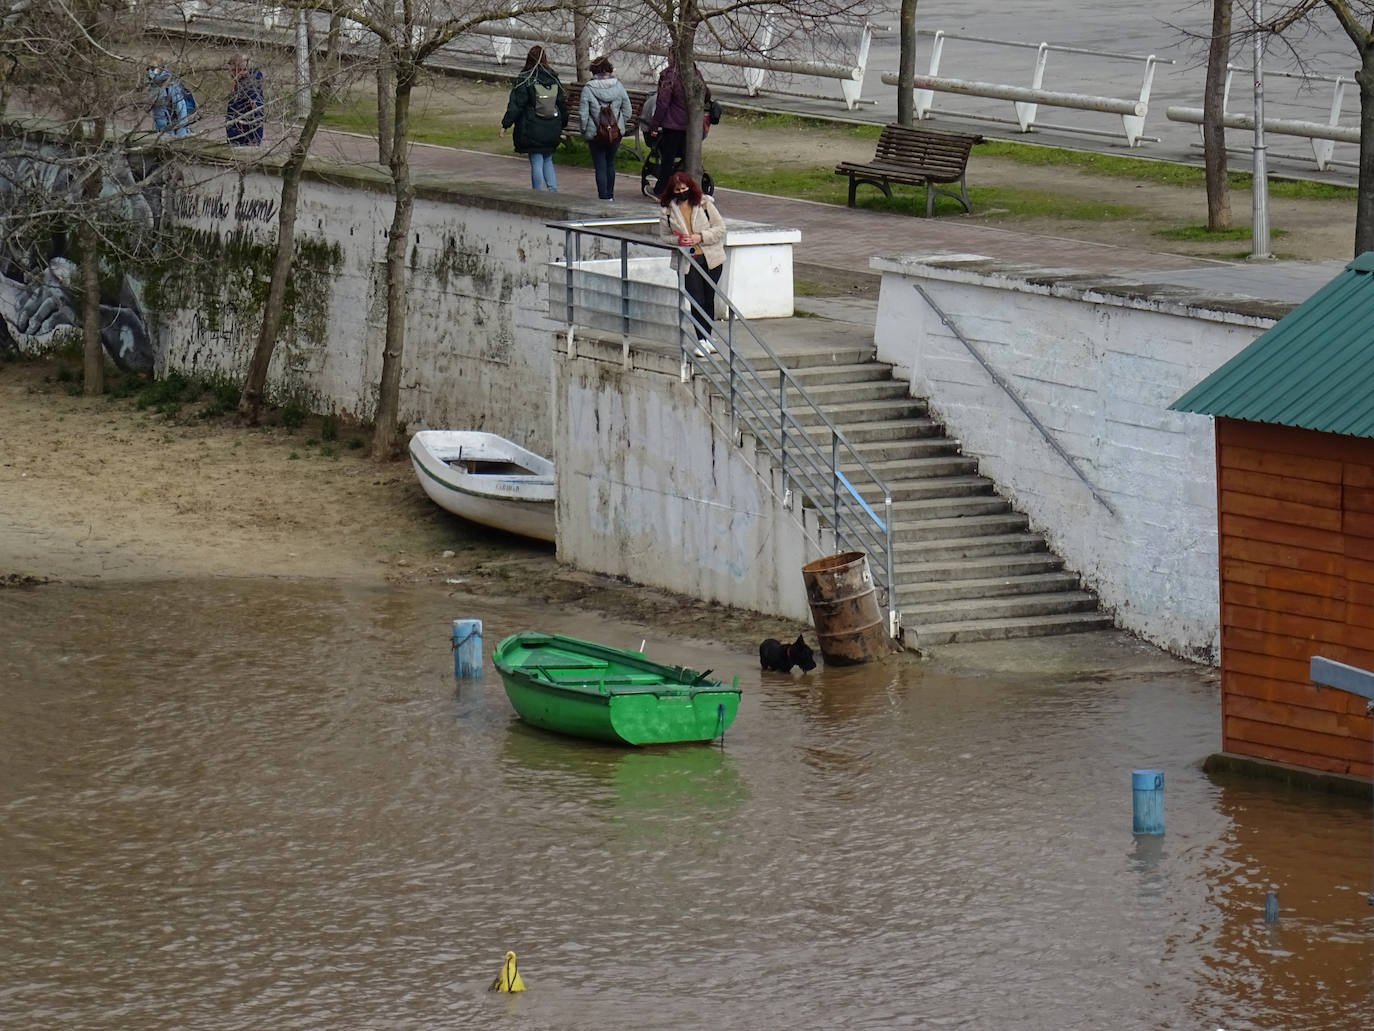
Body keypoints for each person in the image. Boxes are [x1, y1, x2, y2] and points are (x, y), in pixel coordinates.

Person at [658, 170, 726, 356]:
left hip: (711, 258)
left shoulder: (704, 204)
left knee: (708, 298)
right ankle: (702, 339)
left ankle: (708, 337)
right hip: (688, 260)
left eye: (685, 188)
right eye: (678, 189)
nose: (682, 192)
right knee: (696, 299)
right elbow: (665, 236)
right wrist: (679, 241)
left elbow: (720, 228)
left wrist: (700, 237)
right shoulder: (668, 211)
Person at [500, 46, 568, 193]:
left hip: (532, 126)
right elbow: (561, 102)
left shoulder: (526, 78)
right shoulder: (553, 77)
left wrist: (505, 124)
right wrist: (563, 123)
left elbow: (516, 104)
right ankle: (552, 190)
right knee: (548, 159)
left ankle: (536, 192)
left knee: (536, 160)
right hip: (552, 125)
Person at [646, 59, 711, 194]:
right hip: (691, 125)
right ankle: (688, 187)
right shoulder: (696, 74)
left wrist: (654, 125)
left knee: (668, 159)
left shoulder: (670, 76)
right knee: (688, 157)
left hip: (672, 125)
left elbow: (663, 103)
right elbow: (706, 94)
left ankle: (662, 189)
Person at [579, 55, 631, 202]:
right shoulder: (619, 87)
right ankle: (610, 196)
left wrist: (584, 130)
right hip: (615, 133)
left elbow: (583, 114)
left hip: (595, 133)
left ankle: (602, 197)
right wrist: (619, 125)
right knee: (610, 163)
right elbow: (628, 110)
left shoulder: (588, 89)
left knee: (600, 165)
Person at [226, 53, 265, 147]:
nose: (231, 74)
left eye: (232, 70)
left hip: (244, 138)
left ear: (240, 70)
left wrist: (254, 139)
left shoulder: (249, 87)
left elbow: (257, 113)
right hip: (237, 134)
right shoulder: (239, 84)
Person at [146, 56, 191, 138]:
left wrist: (181, 134)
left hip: (173, 128)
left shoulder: (171, 84)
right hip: (160, 128)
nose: (150, 71)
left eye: (153, 68)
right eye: (148, 68)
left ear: (161, 68)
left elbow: (181, 109)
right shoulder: (153, 86)